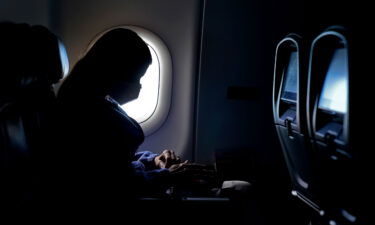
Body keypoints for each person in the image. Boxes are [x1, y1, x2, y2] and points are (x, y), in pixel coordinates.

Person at [56, 28, 188, 211]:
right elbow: (108, 181)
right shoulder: (81, 111)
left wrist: (153, 160)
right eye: (137, 77)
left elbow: (115, 161)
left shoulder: (98, 100)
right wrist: (166, 175)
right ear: (114, 71)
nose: (139, 86)